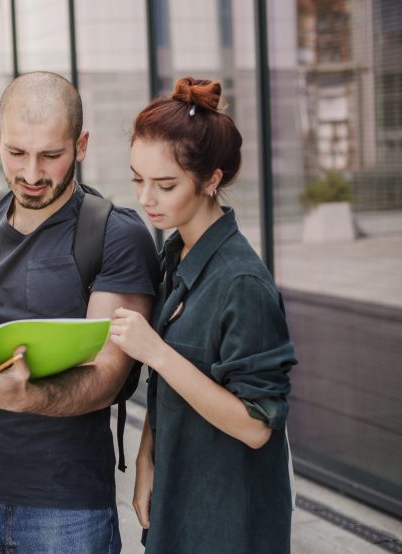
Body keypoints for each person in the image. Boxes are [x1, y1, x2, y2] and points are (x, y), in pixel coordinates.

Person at [0, 71, 160, 553]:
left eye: (51, 155)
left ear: (81, 145)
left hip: (66, 510)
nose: (31, 174)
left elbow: (105, 376)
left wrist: (23, 396)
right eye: (17, 153)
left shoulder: (115, 235)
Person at [110, 77, 297, 553]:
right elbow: (166, 390)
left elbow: (257, 425)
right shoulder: (177, 253)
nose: (146, 198)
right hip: (177, 495)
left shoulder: (242, 284)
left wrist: (156, 351)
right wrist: (147, 460)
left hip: (229, 519)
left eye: (165, 184)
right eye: (137, 179)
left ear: (212, 179)